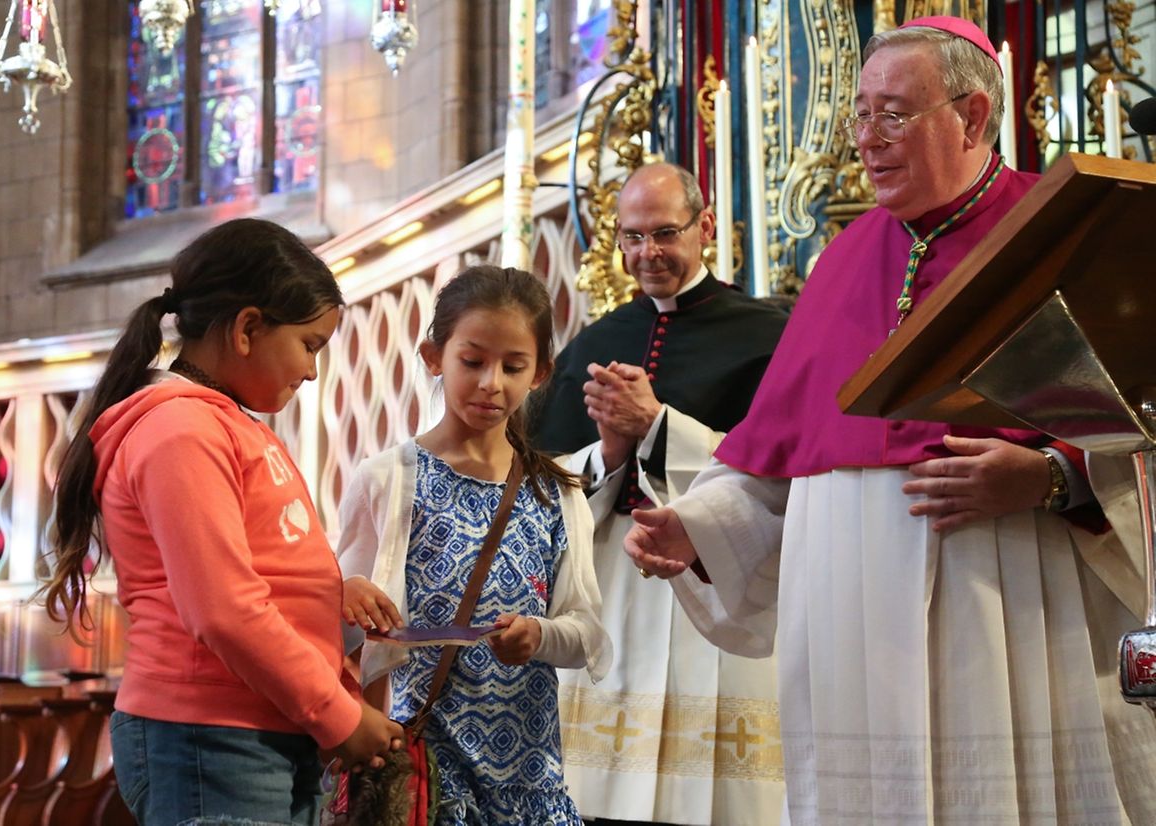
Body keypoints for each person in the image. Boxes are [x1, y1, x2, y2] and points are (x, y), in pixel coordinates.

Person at [624, 18, 1156, 824]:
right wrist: (698, 526)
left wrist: (1052, 477)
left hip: (1005, 590)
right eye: (860, 115)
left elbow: (1137, 425)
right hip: (844, 615)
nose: (866, 140)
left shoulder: (1057, 233)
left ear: (972, 116)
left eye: (894, 114)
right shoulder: (843, 258)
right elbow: (780, 459)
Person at [40, 218, 403, 826]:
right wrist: (339, 717)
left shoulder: (224, 424)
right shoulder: (181, 431)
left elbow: (257, 570)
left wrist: (330, 593)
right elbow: (224, 609)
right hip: (209, 736)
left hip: (260, 723)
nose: (312, 371)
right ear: (247, 328)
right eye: (310, 344)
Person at [531, 161, 789, 825]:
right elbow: (547, 481)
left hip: (717, 582)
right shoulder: (596, 341)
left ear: (704, 227)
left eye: (665, 234)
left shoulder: (768, 335)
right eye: (633, 237)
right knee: (599, 798)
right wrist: (610, 454)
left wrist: (658, 429)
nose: (648, 254)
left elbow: (779, 472)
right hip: (617, 588)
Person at [336, 264, 613, 826]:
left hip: (529, 774)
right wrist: (346, 593)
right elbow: (336, 629)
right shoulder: (388, 480)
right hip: (422, 762)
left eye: (514, 367)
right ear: (434, 356)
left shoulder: (557, 490)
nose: (492, 383)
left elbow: (587, 634)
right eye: (473, 361)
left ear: (540, 374)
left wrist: (540, 635)